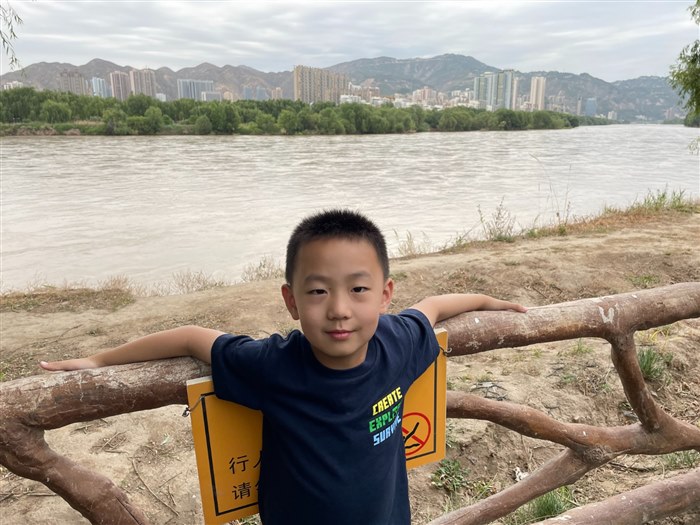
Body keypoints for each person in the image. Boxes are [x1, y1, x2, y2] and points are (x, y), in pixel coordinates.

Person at [41, 209, 526, 525]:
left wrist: (489, 301)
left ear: (385, 295)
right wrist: (98, 360)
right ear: (291, 301)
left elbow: (434, 307)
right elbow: (191, 337)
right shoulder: (273, 365)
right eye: (318, 291)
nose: (339, 309)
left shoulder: (398, 342)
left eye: (358, 289)